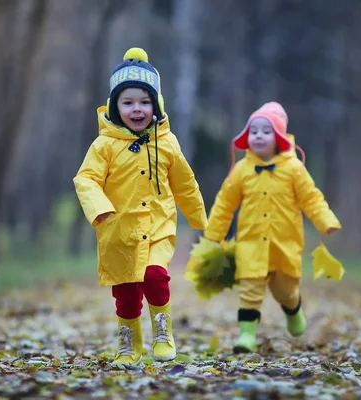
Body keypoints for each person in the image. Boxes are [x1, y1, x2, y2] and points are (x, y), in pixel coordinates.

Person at [73, 47, 208, 365]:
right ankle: (128, 344)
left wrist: (201, 220)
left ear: (156, 105)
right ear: (115, 106)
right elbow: (86, 179)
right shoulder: (104, 145)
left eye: (145, 102)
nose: (137, 109)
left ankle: (163, 332)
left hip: (157, 224)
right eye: (128, 102)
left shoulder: (167, 142)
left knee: (155, 276)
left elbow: (185, 184)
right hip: (118, 229)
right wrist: (99, 208)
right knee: (127, 292)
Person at [202, 102, 341, 353]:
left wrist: (325, 221)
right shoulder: (242, 170)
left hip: (284, 245)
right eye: (253, 130)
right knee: (250, 290)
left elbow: (311, 198)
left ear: (278, 138)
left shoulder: (294, 169)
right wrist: (214, 233)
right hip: (251, 243)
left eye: (266, 131)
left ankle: (293, 309)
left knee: (284, 290)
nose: (258, 135)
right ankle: (246, 336)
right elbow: (224, 203)